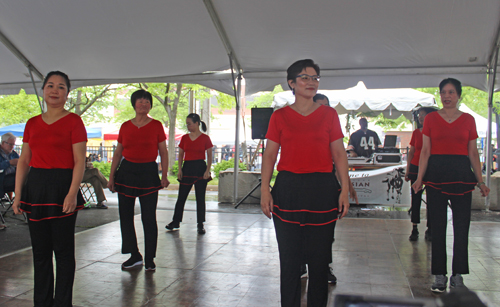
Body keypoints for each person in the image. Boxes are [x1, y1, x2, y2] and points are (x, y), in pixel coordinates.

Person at [261, 59, 350, 307]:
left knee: (319, 264)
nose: (311, 82)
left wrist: (344, 189)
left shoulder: (329, 115)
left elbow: (339, 154)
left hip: (323, 189)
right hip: (287, 189)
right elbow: (269, 155)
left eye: (315, 78)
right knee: (289, 262)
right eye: (305, 77)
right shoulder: (279, 116)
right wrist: (265, 191)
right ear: (292, 83)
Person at [12, 71, 87, 306]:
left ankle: (63, 302)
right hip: (36, 188)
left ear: (67, 93)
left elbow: (79, 161)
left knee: (63, 252)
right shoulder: (32, 123)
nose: (55, 90)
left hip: (63, 186)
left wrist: (73, 192)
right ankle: (42, 302)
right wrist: (17, 195)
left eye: (61, 87)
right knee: (40, 252)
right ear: (43, 90)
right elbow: (24, 161)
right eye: (51, 85)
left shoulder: (74, 121)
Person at [412, 78, 490, 293]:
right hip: (436, 175)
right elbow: (425, 151)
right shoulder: (430, 119)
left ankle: (457, 274)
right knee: (437, 227)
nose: (447, 96)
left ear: (458, 95)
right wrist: (419, 178)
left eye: (451, 92)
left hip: (462, 176)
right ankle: (439, 274)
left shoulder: (468, 120)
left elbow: (473, 152)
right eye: (444, 92)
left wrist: (481, 180)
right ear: (440, 95)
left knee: (461, 227)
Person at [108, 89, 169, 272]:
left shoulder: (157, 125)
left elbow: (163, 152)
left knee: (149, 217)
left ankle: (150, 258)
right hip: (126, 172)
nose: (144, 104)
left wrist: (164, 175)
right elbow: (118, 153)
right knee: (125, 216)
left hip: (149, 172)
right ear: (134, 104)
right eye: (140, 101)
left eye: (147, 101)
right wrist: (111, 177)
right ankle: (134, 255)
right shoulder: (125, 126)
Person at [165, 113, 213, 235]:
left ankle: (200, 224)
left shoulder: (205, 138)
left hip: (200, 167)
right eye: (187, 124)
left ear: (197, 124)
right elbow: (180, 154)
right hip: (187, 167)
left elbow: (210, 156)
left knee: (200, 198)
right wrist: (180, 169)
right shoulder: (185, 138)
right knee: (181, 197)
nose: (188, 126)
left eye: (189, 124)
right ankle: (176, 221)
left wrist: (207, 170)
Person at [405, 107, 437, 241]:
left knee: (431, 199)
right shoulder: (416, 133)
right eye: (419, 115)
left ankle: (430, 227)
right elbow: (411, 152)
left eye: (423, 115)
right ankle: (414, 227)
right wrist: (407, 170)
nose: (420, 117)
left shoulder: (434, 132)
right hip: (415, 166)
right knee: (416, 198)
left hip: (429, 168)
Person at [0, 132, 19, 230]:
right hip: (2, 180)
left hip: (15, 179)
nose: (12, 147)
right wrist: (9, 163)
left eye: (13, 144)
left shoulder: (14, 154)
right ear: (3, 143)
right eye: (10, 144)